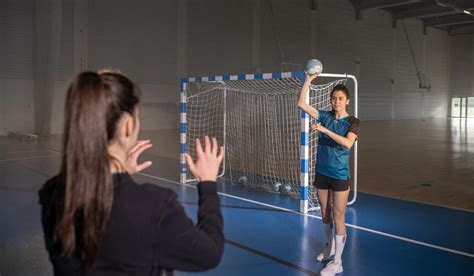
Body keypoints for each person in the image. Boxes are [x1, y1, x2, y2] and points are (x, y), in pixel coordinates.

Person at [39, 70, 225, 275]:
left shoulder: (52, 193)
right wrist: (207, 184)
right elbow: (210, 254)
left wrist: (119, 175)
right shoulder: (154, 206)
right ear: (128, 126)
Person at [297, 71, 359, 275]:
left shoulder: (352, 122)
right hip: (322, 172)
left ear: (347, 101)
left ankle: (338, 262)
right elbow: (302, 105)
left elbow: (348, 143)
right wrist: (308, 80)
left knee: (338, 215)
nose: (336, 102)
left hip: (340, 175)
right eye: (333, 99)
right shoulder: (324, 116)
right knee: (324, 212)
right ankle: (329, 246)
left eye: (340, 99)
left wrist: (325, 131)